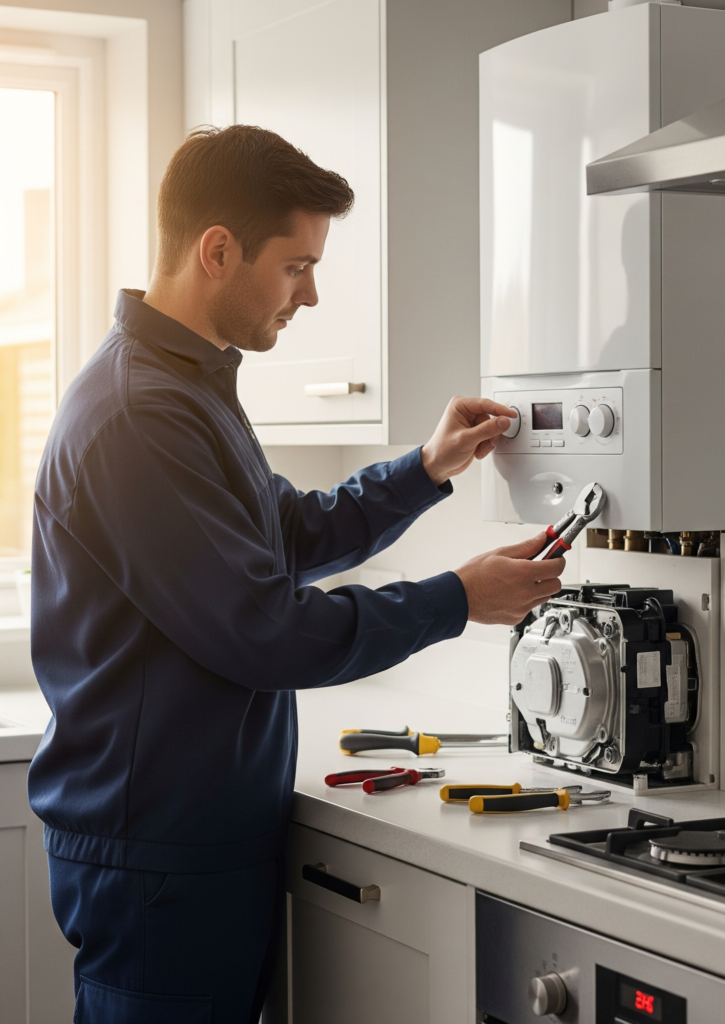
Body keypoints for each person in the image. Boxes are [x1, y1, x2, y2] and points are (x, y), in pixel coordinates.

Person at [27, 124, 564, 1024]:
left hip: (192, 839)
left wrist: (425, 467)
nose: (310, 294)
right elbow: (261, 628)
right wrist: (456, 599)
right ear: (218, 250)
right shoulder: (138, 412)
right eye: (296, 266)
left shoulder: (186, 385)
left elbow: (280, 529)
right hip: (161, 854)